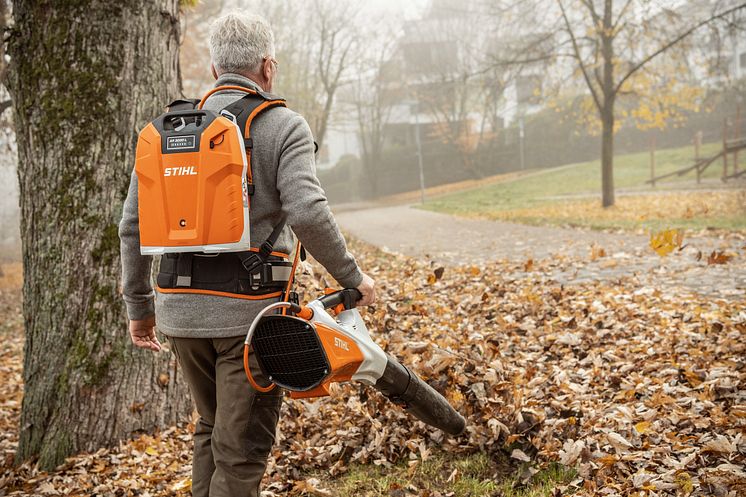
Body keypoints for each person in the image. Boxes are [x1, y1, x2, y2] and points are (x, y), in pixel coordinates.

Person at [118, 12, 376, 497]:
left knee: (212, 429)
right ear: (267, 67)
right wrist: (352, 276)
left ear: (215, 72)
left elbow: (131, 226)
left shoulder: (164, 134)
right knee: (241, 450)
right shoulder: (282, 125)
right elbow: (308, 211)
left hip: (179, 315)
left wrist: (140, 309)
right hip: (249, 320)